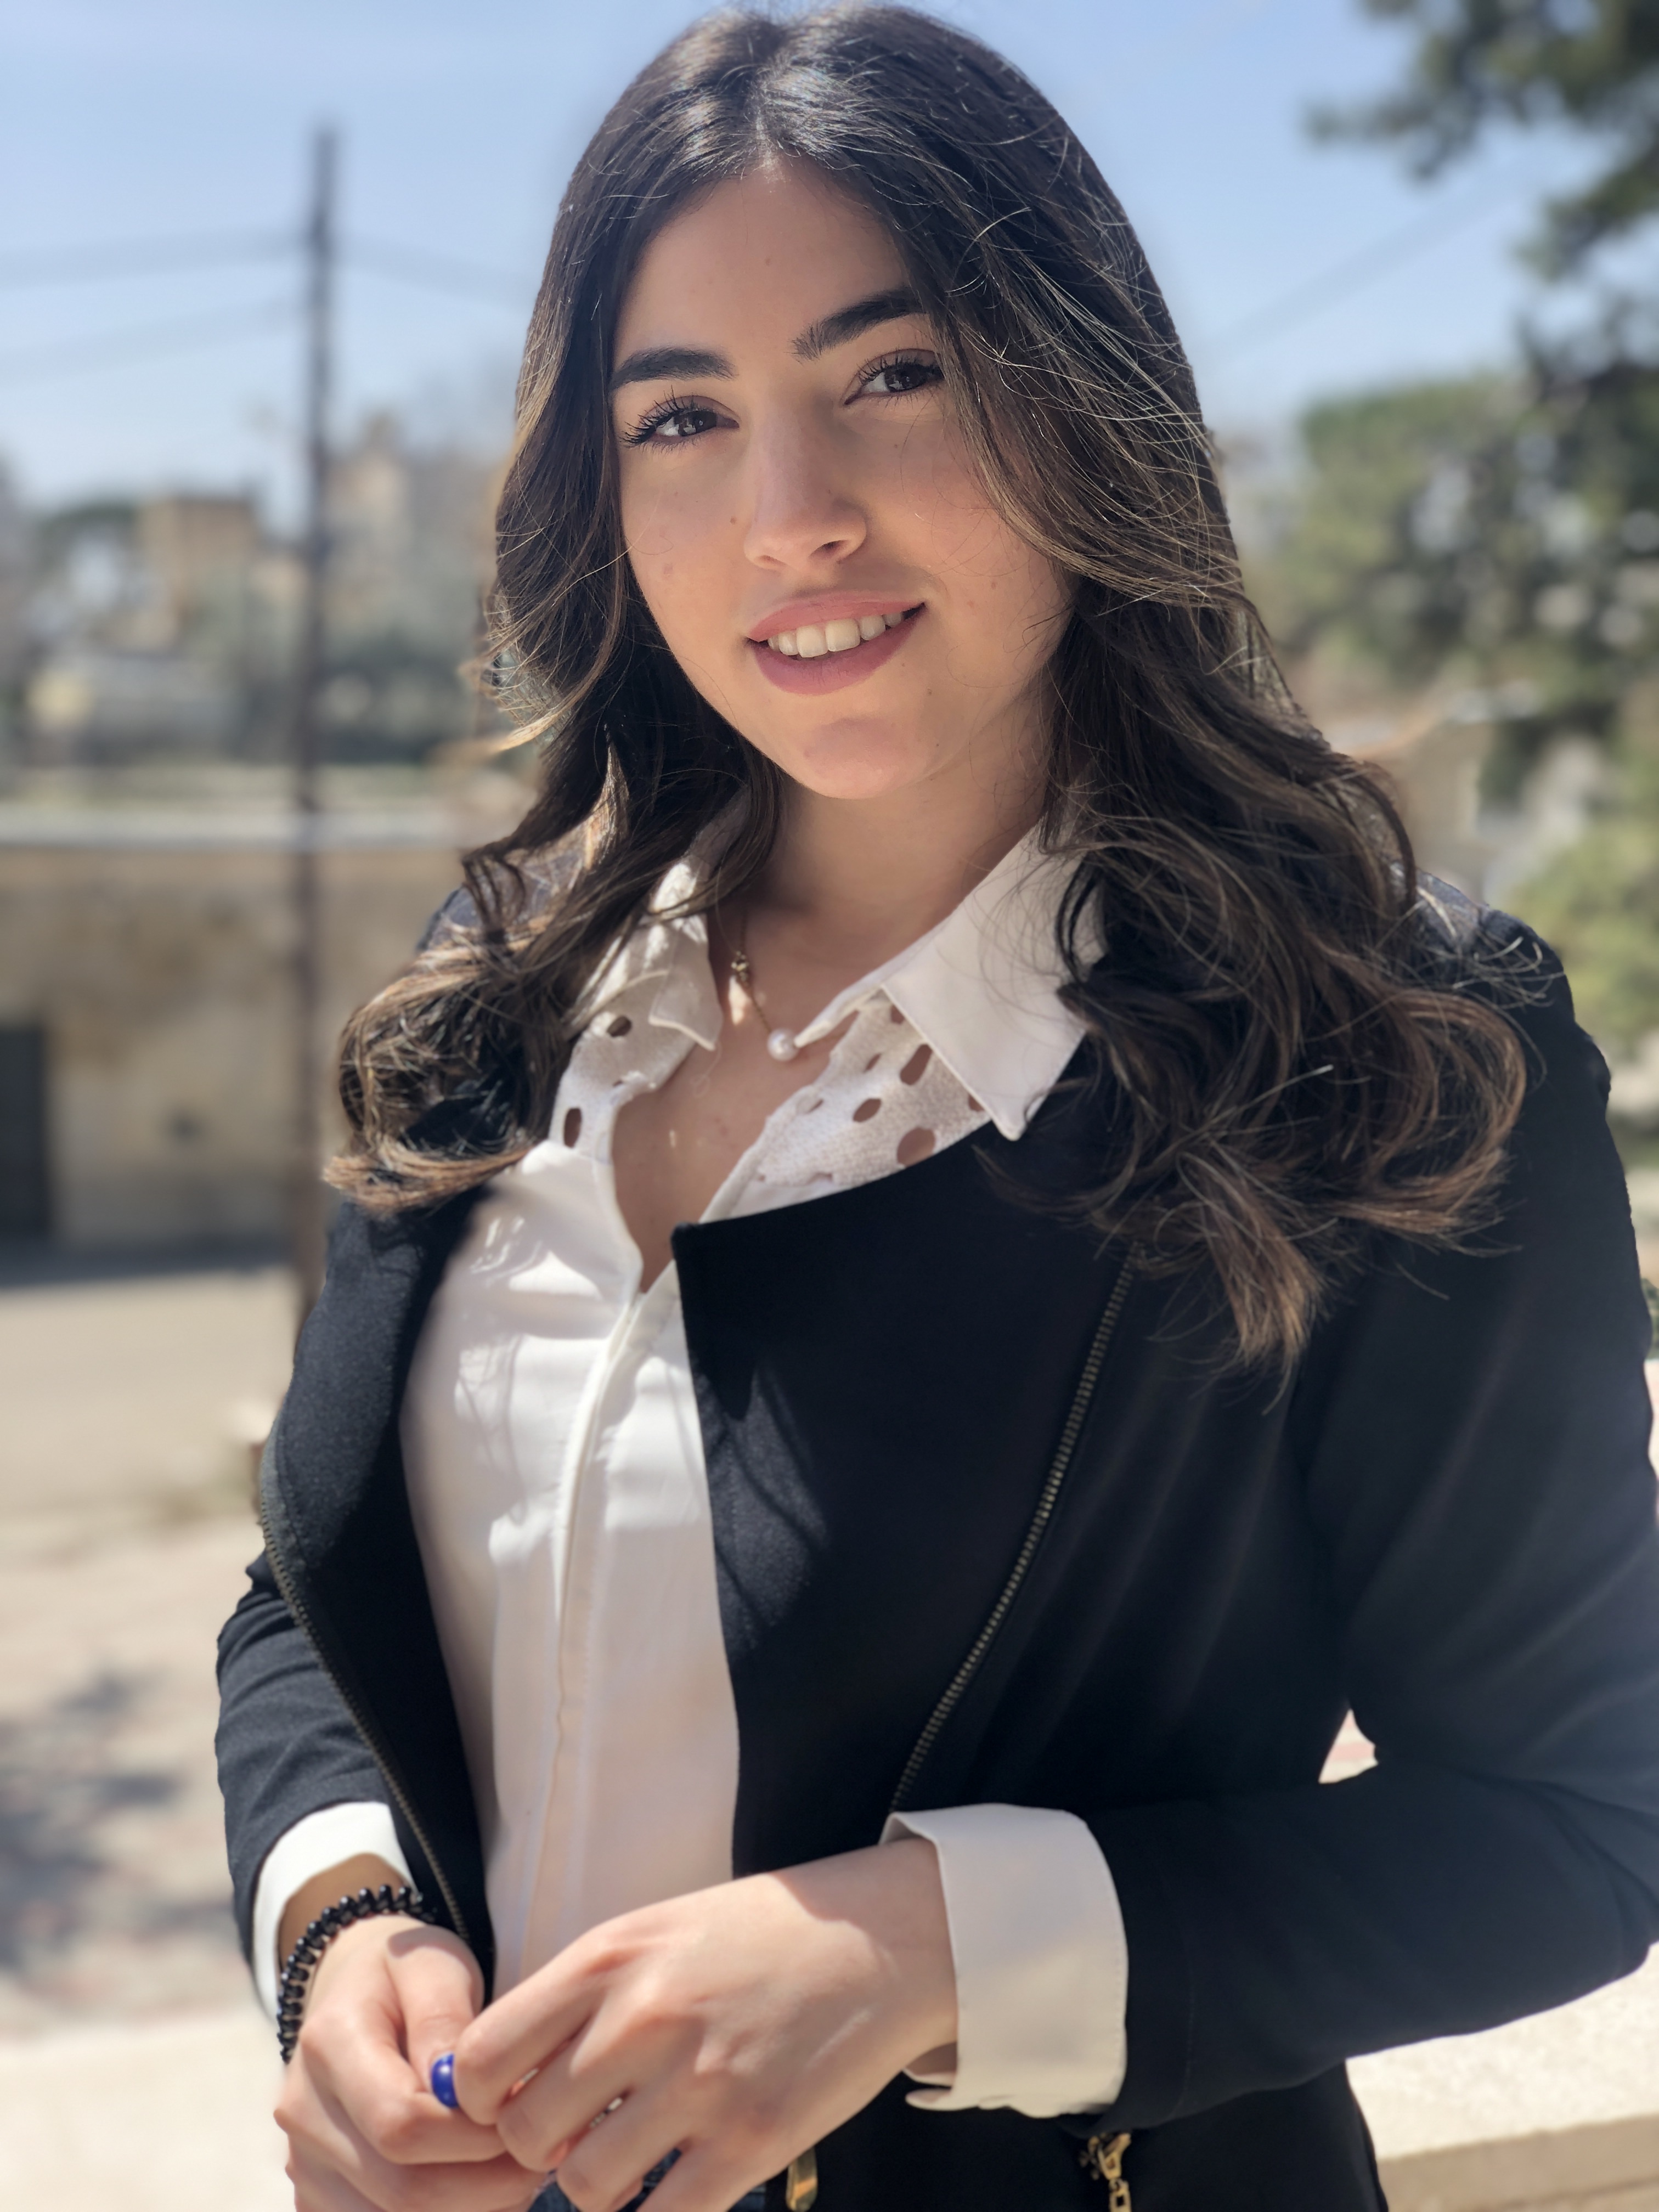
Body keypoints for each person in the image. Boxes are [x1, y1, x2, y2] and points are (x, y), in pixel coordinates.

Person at [215, 9, 1659, 2210]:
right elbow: (309, 1598)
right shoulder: (498, 997)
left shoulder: (1383, 1043)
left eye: (894, 374)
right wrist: (340, 1923)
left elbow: (1575, 1824)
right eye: (681, 417)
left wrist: (926, 1951)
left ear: (1081, 395)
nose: (789, 518)